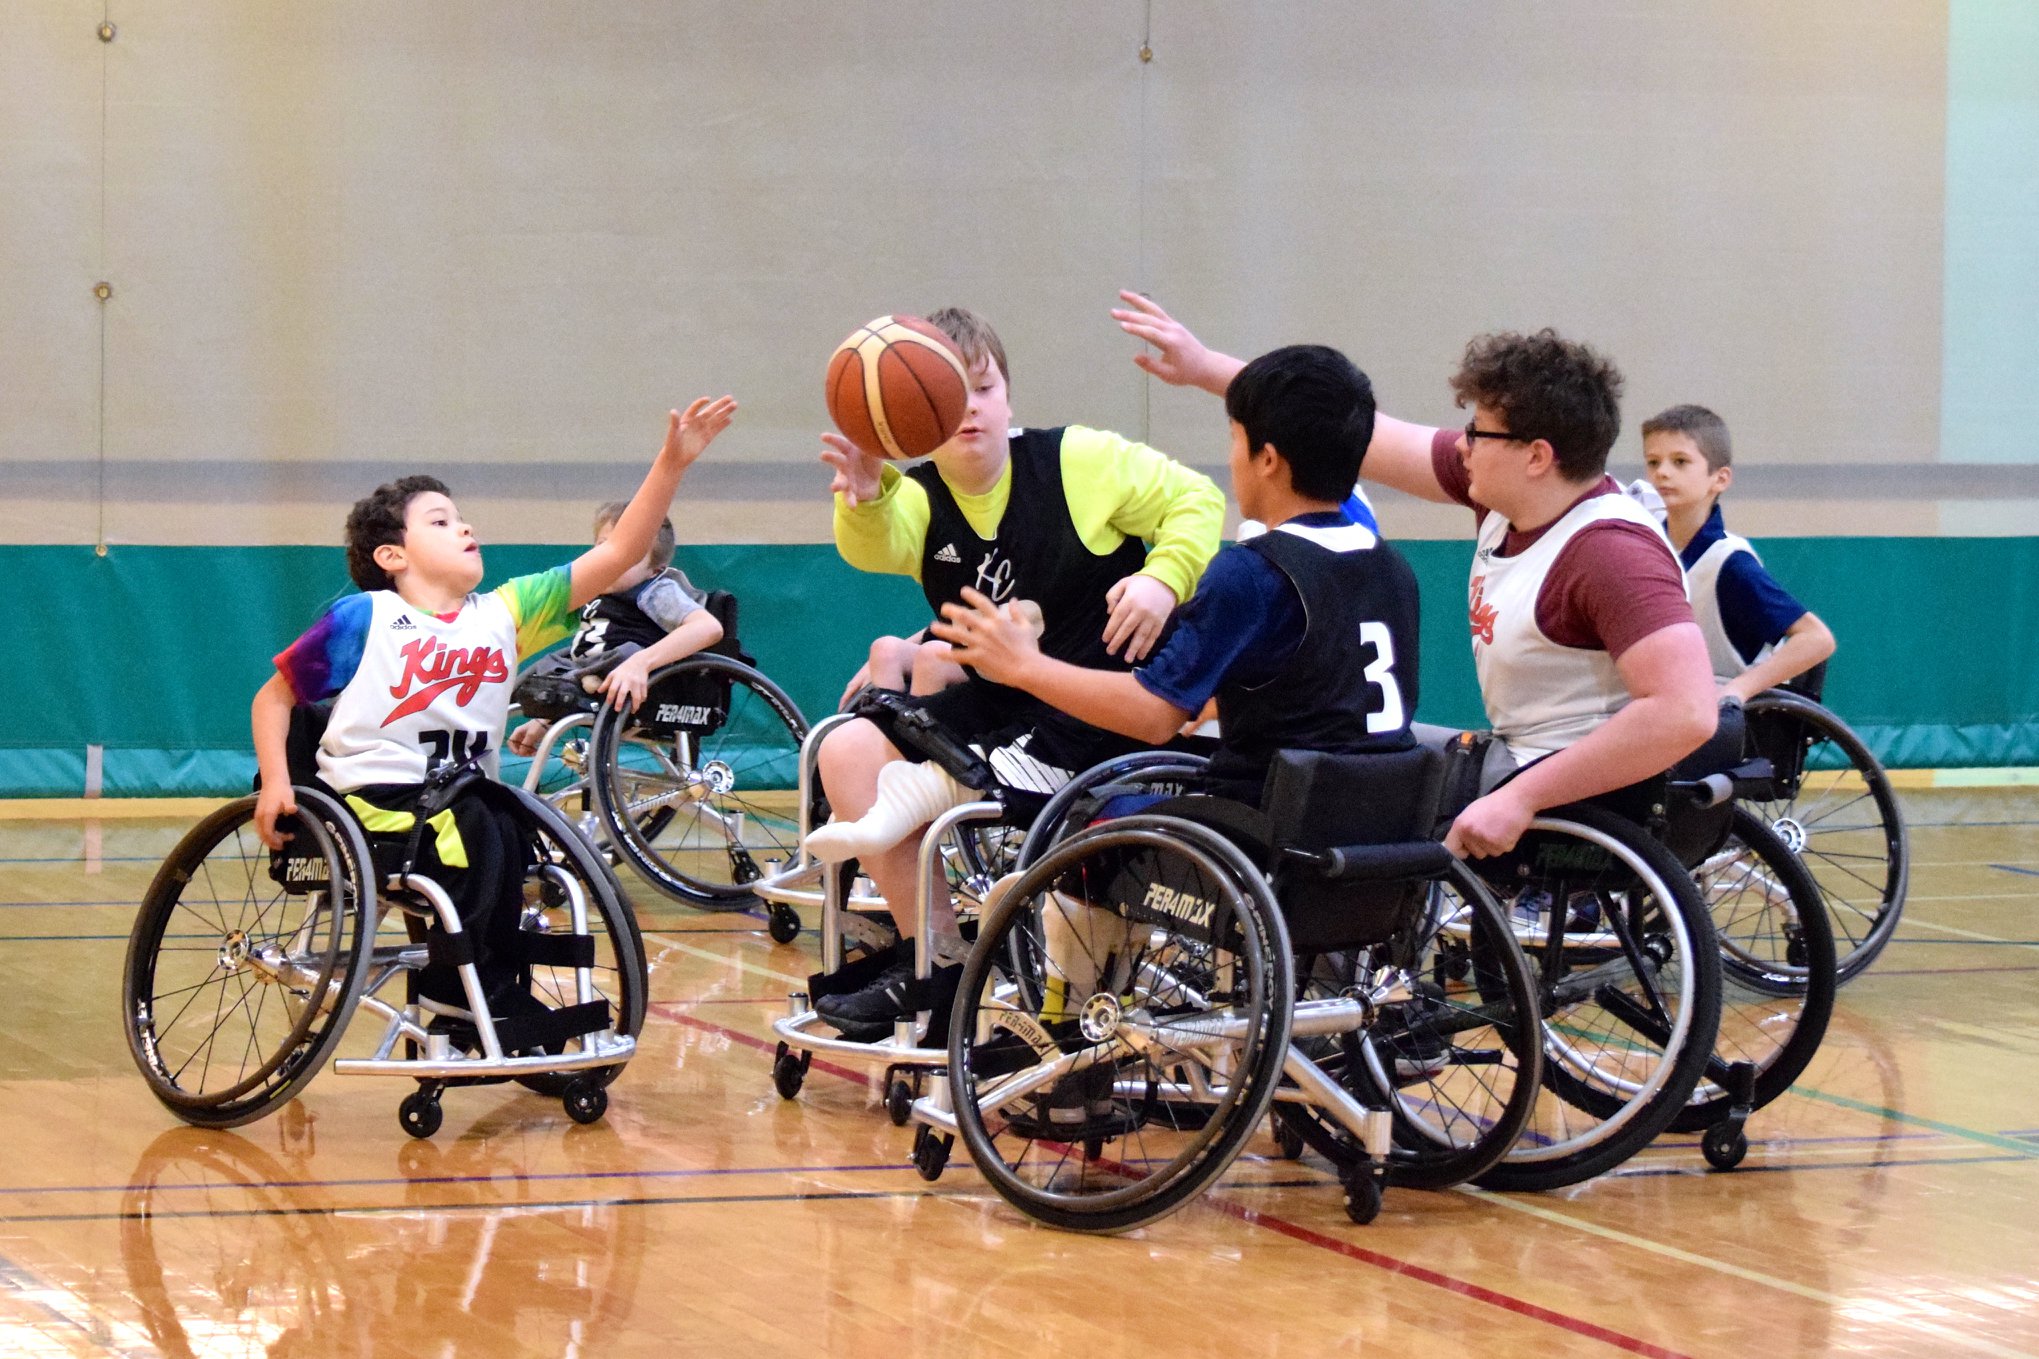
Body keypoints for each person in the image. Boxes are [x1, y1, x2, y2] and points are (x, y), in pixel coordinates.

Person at [934, 343, 1417, 1058]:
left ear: (1267, 458)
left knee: (1091, 827)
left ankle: (1072, 1043)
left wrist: (1025, 667)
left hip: (1268, 843)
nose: (1229, 458)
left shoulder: (1251, 573)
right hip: (1380, 842)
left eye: (1232, 439)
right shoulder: (1392, 567)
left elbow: (1150, 712)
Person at [1112, 291, 1717, 858]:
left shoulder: (1612, 554)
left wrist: (1521, 796)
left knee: (1343, 776)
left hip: (1568, 787)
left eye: (1478, 432)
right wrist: (1204, 367)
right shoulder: (1511, 496)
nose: (1461, 444)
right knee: (1358, 752)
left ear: (1537, 456)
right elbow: (1345, 431)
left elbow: (1686, 711)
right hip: (1521, 754)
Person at [809, 305, 1224, 1038]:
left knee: (934, 773)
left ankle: (927, 803)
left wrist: (1163, 577)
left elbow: (1198, 500)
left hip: (1100, 713)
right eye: (951, 392)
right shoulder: (916, 496)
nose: (969, 408)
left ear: (1007, 395)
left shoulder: (1080, 461)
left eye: (983, 387)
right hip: (1007, 706)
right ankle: (936, 959)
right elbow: (874, 547)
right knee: (846, 746)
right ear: (919, 408)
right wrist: (868, 493)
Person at [250, 396, 736, 1011]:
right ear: (392, 556)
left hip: (460, 799)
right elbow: (274, 699)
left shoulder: (505, 613)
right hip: (375, 800)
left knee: (508, 819)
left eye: (462, 519)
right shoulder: (365, 616)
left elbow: (618, 555)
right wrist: (274, 783)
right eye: (441, 521)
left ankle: (494, 994)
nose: (465, 528)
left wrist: (671, 464)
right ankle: (467, 1000)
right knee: (481, 822)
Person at [1641, 403, 1836, 702]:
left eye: (1680, 462)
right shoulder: (1645, 541)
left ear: (1720, 479)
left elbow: (1817, 639)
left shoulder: (1730, 563)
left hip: (1718, 718)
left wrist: (1737, 690)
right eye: (1654, 462)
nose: (1662, 473)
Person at [507, 503, 726, 757]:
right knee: (544, 665)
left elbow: (708, 628)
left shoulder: (656, 590)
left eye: (629, 554)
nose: (612, 560)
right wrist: (543, 718)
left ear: (654, 570)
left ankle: (586, 682)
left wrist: (641, 663)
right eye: (604, 547)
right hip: (586, 673)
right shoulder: (591, 592)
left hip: (639, 681)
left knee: (625, 654)